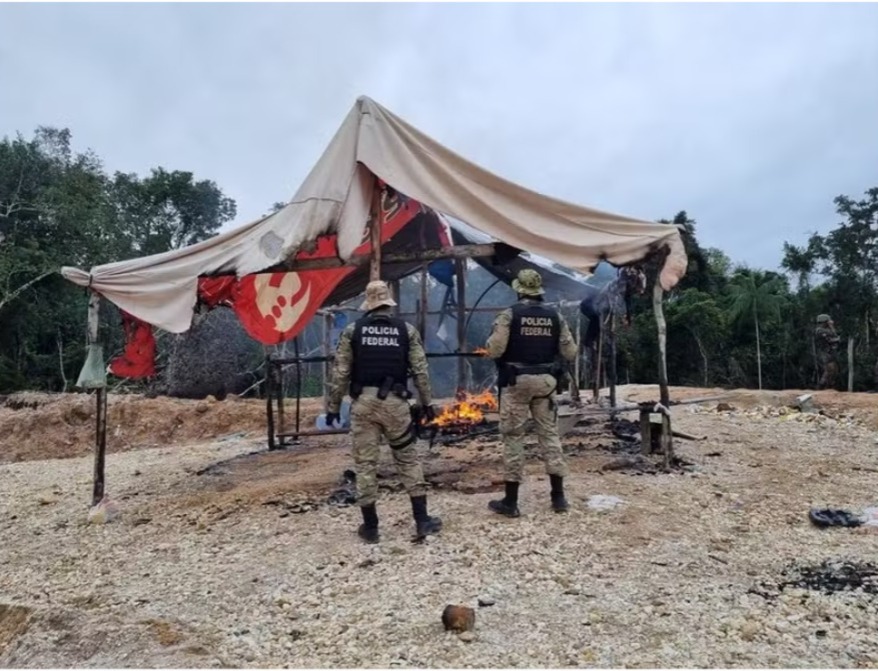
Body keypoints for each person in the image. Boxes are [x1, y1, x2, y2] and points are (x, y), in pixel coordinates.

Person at [326, 280, 442, 544]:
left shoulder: (353, 331)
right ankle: (422, 521)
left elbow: (341, 372)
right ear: (388, 303)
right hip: (396, 405)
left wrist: (333, 407)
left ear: (368, 304)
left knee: (365, 465)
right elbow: (421, 371)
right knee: (408, 461)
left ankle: (370, 528)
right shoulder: (406, 331)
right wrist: (427, 403)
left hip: (364, 405)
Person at [484, 268, 579, 517]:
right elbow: (570, 352)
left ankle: (511, 502)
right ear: (538, 291)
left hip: (516, 383)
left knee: (513, 437)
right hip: (546, 382)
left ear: (518, 289)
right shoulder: (555, 316)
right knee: (549, 436)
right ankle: (558, 498)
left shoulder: (509, 315)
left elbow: (494, 350)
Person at [815, 313, 841, 390]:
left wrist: (836, 339)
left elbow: (835, 336)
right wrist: (832, 327)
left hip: (829, 352)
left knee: (834, 370)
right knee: (829, 370)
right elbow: (833, 338)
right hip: (824, 353)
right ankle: (820, 388)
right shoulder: (819, 331)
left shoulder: (826, 330)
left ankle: (829, 387)